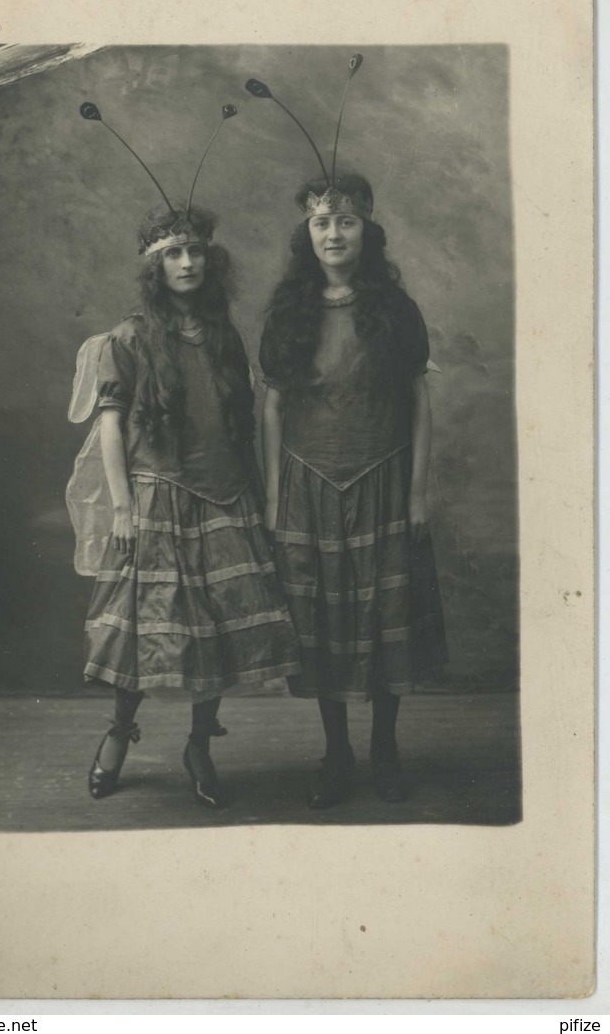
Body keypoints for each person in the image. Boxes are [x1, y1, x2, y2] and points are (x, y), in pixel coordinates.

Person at [68, 198, 300, 809]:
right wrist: (123, 507)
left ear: (210, 260)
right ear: (155, 267)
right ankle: (119, 735)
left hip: (225, 493)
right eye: (173, 253)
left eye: (195, 250)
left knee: (216, 630)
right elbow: (112, 425)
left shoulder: (223, 332)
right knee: (149, 634)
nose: (187, 262)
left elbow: (235, 420)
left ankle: (200, 744)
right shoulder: (128, 339)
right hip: (159, 496)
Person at [259, 171, 448, 810]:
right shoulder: (289, 313)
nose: (333, 233)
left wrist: (417, 493)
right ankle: (336, 752)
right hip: (309, 487)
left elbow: (419, 402)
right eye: (321, 222)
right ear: (306, 233)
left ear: (367, 228)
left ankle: (385, 750)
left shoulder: (396, 311)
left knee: (386, 622)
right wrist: (273, 495)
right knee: (322, 625)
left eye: (345, 221)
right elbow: (273, 409)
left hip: (386, 480)